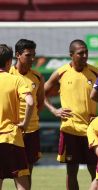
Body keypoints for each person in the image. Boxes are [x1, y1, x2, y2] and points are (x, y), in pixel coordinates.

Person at [44, 39, 98, 190]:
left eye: (86, 52)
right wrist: (54, 110)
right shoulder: (61, 73)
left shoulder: (96, 72)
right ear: (71, 55)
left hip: (91, 131)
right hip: (70, 130)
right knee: (71, 171)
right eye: (81, 53)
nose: (85, 55)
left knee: (96, 172)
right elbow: (40, 93)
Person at [9, 39, 44, 189]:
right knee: (7, 169)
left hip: (31, 130)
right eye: (28, 55)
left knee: (28, 169)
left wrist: (29, 120)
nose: (32, 59)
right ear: (17, 55)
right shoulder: (7, 74)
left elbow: (40, 103)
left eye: (33, 55)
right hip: (11, 130)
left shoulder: (37, 77)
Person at [0, 44, 34, 190]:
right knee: (22, 184)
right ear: (9, 62)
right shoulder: (16, 80)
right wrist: (25, 123)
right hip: (12, 138)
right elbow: (30, 102)